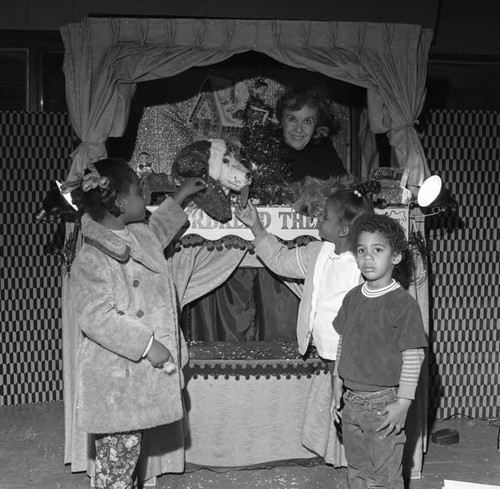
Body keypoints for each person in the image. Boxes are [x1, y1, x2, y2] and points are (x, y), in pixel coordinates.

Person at [67, 158, 207, 489]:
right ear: (119, 203)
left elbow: (158, 229)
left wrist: (181, 195)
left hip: (134, 382)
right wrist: (147, 344)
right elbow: (96, 316)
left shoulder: (138, 235)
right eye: (138, 189)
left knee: (127, 454)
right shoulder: (91, 257)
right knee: (117, 460)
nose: (145, 194)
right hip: (115, 380)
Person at [235, 183, 374, 464]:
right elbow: (280, 260)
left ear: (344, 230)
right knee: (343, 413)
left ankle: (368, 466)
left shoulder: (365, 265)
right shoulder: (317, 252)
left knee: (358, 416)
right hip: (330, 358)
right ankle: (356, 462)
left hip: (356, 358)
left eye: (325, 218)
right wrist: (256, 227)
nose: (318, 220)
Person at [331, 214, 428, 489]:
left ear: (395, 257)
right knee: (357, 470)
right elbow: (343, 343)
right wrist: (337, 383)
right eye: (362, 251)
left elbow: (413, 356)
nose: (368, 258)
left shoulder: (403, 304)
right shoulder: (352, 297)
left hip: (383, 403)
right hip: (351, 401)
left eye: (378, 250)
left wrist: (404, 404)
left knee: (383, 477)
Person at [276, 84, 347, 182]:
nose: (299, 129)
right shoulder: (266, 149)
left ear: (316, 124)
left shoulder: (324, 150)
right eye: (292, 119)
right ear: (281, 120)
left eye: (307, 121)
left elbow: (346, 188)